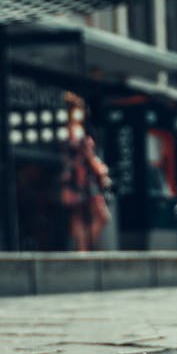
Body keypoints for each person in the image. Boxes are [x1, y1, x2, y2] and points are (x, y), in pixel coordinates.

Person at [61, 93, 112, 252]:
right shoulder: (76, 131)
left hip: (75, 180)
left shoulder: (69, 130)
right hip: (83, 180)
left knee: (79, 218)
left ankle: (82, 250)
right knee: (100, 217)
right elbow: (87, 155)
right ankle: (84, 249)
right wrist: (101, 171)